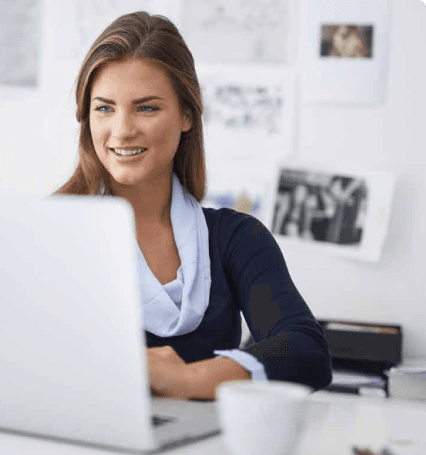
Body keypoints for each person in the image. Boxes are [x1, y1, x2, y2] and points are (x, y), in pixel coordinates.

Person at [55, 11, 332, 400]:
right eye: (104, 108)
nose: (121, 130)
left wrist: (188, 380)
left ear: (186, 115)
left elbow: (308, 352)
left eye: (146, 107)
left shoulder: (235, 238)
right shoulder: (54, 231)